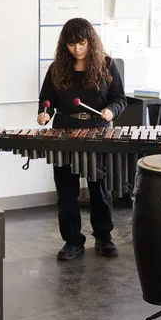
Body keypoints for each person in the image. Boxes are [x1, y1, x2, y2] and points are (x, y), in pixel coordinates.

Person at [37, 18, 127, 261]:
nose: (77, 49)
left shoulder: (106, 65)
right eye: (71, 44)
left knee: (100, 189)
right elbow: (46, 100)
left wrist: (111, 111)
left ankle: (103, 237)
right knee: (66, 191)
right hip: (65, 130)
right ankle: (72, 241)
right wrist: (44, 114)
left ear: (91, 42)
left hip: (97, 130)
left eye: (82, 43)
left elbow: (120, 99)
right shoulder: (57, 68)